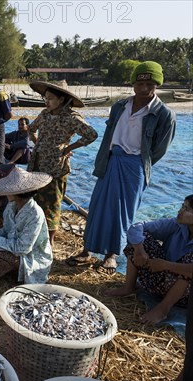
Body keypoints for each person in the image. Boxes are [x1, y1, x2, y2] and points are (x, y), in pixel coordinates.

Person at [74, 61, 176, 271]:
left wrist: (138, 163)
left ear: (157, 85)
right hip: (110, 161)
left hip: (134, 166)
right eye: (140, 84)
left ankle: (112, 255)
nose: (145, 89)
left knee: (123, 212)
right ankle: (87, 251)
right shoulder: (119, 106)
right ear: (133, 84)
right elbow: (109, 136)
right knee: (97, 207)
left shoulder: (164, 114)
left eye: (150, 85)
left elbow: (159, 149)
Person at [26, 81, 98, 246]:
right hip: (36, 163)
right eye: (46, 98)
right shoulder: (45, 113)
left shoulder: (71, 118)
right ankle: (36, 231)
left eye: (50, 99)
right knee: (35, 199)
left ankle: (49, 240)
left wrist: (68, 148)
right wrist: (37, 142)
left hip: (56, 167)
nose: (47, 102)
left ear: (62, 100)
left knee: (52, 202)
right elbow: (31, 128)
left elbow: (91, 135)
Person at [106, 195, 192, 326]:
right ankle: (128, 287)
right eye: (182, 206)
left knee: (189, 260)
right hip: (162, 280)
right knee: (140, 239)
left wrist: (165, 265)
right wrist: (139, 250)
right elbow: (137, 227)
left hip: (185, 296)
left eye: (187, 209)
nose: (180, 211)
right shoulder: (177, 225)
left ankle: (163, 309)